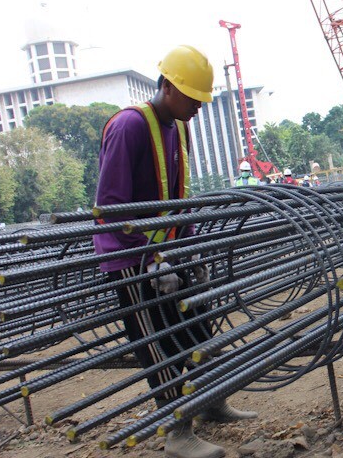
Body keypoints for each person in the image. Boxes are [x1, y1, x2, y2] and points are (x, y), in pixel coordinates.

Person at [93, 45, 255, 458]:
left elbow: (177, 197)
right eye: (192, 99)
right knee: (159, 343)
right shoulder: (129, 126)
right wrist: (150, 258)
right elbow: (110, 207)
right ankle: (177, 433)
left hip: (167, 249)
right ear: (167, 87)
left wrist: (189, 247)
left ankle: (209, 403)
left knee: (198, 325)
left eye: (203, 101)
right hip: (130, 258)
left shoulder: (179, 126)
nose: (199, 109)